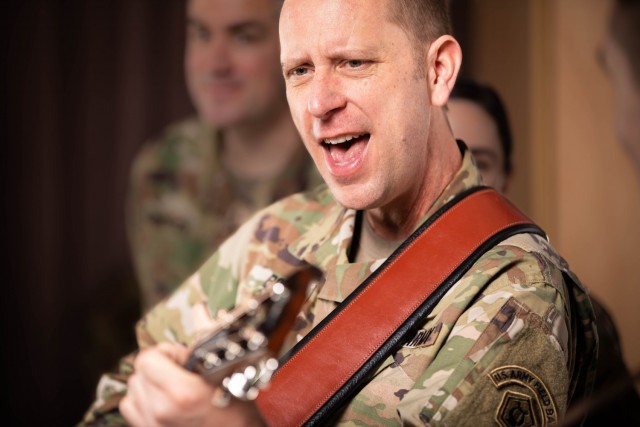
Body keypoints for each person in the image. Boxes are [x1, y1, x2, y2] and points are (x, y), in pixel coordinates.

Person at [81, 0, 597, 425]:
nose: (318, 103)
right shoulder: (279, 229)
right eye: (300, 71)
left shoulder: (519, 293)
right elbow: (117, 397)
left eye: (353, 62)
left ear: (437, 72)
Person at [447, 77, 640, 426]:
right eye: (448, 161)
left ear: (507, 175)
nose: (463, 181)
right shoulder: (365, 297)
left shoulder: (579, 320)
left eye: (481, 162)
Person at [128, 0, 322, 310]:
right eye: (202, 34)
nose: (216, 64)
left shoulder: (340, 167)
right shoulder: (165, 169)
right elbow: (169, 330)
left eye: (244, 37)